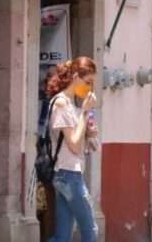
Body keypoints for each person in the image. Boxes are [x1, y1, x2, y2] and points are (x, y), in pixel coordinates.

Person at [47, 57, 99, 242]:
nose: (90, 88)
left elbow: (74, 139)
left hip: (65, 174)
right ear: (76, 77)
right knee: (90, 230)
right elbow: (74, 146)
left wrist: (87, 133)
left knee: (63, 236)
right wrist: (84, 112)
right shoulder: (62, 103)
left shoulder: (69, 103)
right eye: (88, 82)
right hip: (69, 174)